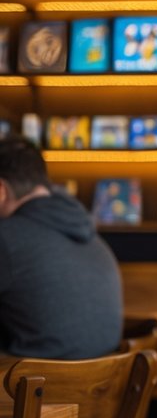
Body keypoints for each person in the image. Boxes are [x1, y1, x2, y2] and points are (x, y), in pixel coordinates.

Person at [0, 135, 122, 359]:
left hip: (35, 390)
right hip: (105, 388)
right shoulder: (90, 234)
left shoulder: (6, 238)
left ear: (1, 190)